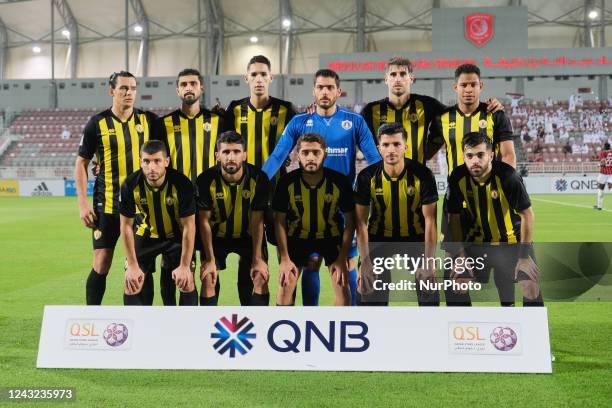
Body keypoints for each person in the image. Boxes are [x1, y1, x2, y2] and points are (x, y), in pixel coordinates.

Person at [263, 68, 381, 306]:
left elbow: (375, 161)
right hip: (309, 207)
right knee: (311, 262)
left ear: (338, 91)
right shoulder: (299, 122)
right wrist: (258, 184)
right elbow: (277, 156)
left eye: (329, 87)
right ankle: (311, 317)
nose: (325, 92)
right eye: (320, 87)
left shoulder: (355, 122)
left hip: (343, 206)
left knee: (347, 265)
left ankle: (350, 321)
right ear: (314, 90)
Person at [426, 63, 516, 306]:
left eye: (473, 84)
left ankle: (510, 328)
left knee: (503, 265)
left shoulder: (495, 114)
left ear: (481, 86)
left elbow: (508, 155)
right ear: (456, 87)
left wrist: (507, 189)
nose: (468, 89)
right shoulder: (443, 119)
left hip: (491, 198)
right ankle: (459, 329)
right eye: (464, 85)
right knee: (454, 265)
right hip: (456, 200)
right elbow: (423, 153)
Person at [75, 71, 157, 305]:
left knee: (140, 264)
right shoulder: (97, 124)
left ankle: (138, 318)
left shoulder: (148, 121)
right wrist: (82, 204)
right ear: (112, 91)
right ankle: (92, 316)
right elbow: (81, 163)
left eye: (132, 88)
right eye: (123, 88)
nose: (129, 92)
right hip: (108, 204)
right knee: (102, 261)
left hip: (142, 208)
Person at [152, 68, 223, 305]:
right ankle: (171, 316)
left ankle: (205, 322)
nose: (189, 88)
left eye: (193, 83)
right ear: (178, 90)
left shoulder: (217, 121)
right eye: (184, 84)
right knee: (171, 265)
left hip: (209, 205)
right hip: (175, 207)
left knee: (209, 267)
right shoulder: (163, 124)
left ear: (201, 88)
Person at [446, 132, 543, 307]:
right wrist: (459, 255)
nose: (475, 160)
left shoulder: (508, 177)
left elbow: (527, 214)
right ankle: (462, 332)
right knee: (456, 282)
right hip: (476, 243)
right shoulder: (457, 177)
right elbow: (453, 217)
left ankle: (532, 333)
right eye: (469, 156)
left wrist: (524, 257)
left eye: (480, 155)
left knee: (531, 286)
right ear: (464, 156)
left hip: (511, 242)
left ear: (491, 155)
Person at [354, 122, 439, 306]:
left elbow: (430, 221)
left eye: (396, 144)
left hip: (415, 237)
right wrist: (365, 263)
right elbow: (360, 223)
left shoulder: (422, 175)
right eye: (385, 145)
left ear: (405, 147)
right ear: (379, 148)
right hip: (379, 237)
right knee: (367, 290)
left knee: (429, 290)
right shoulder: (366, 177)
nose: (391, 150)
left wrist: (429, 262)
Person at [360, 56, 503, 165]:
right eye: (393, 75)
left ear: (411, 78)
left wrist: (488, 106)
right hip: (381, 179)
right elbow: (358, 139)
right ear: (386, 79)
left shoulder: (427, 104)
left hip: (418, 181)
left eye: (403, 74)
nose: (398, 79)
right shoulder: (370, 110)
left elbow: (459, 113)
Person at [272, 133, 355, 306]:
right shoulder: (286, 182)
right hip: (297, 238)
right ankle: (283, 329)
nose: (311, 157)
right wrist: (285, 258)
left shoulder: (339, 181)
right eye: (305, 152)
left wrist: (342, 257)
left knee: (344, 291)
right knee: (285, 286)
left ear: (324, 154)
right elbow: (279, 220)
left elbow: (351, 220)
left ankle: (336, 331)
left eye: (316, 152)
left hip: (331, 238)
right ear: (298, 155)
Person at [119, 140, 198, 306]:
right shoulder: (129, 185)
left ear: (166, 162)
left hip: (175, 237)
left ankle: (188, 328)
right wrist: (132, 265)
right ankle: (138, 329)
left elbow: (189, 226)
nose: (151, 167)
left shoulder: (182, 184)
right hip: (145, 235)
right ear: (140, 161)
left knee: (187, 282)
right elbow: (126, 226)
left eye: (157, 161)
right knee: (132, 284)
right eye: (146, 161)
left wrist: (184, 266)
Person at [196, 131, 270, 306]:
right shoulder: (205, 180)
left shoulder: (259, 178)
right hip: (216, 237)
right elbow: (203, 221)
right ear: (217, 156)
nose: (231, 157)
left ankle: (257, 326)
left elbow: (258, 219)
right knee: (208, 277)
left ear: (244, 155)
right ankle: (207, 327)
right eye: (226, 152)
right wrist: (209, 258)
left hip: (248, 236)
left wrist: (257, 258)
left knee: (260, 276)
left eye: (236, 152)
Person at [594, 142, 612, 210]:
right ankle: (599, 206)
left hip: (603, 174)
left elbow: (603, 162)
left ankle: (599, 206)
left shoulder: (603, 153)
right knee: (610, 187)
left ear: (604, 147)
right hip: (611, 173)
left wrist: (599, 165)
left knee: (600, 188)